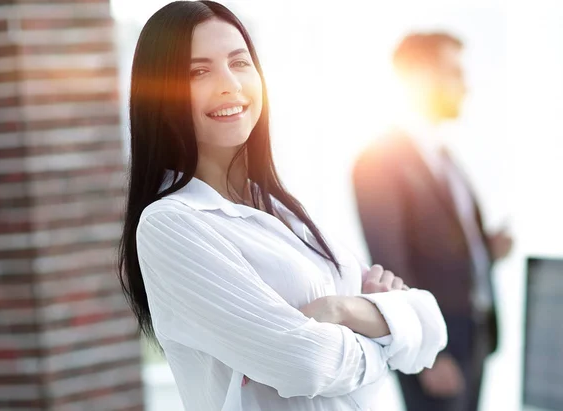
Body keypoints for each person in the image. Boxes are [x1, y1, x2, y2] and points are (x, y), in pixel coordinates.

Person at [117, 2, 447, 410]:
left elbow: (430, 325)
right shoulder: (170, 225)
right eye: (198, 71)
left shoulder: (281, 207)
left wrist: (339, 309)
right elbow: (304, 365)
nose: (229, 85)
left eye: (239, 63)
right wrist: (386, 333)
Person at [352, 32, 513, 411]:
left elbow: (442, 247)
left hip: (473, 334)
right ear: (419, 76)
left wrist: (486, 250)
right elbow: (392, 263)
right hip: (433, 346)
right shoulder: (380, 161)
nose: (466, 86)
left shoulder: (445, 158)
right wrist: (428, 354)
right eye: (454, 72)